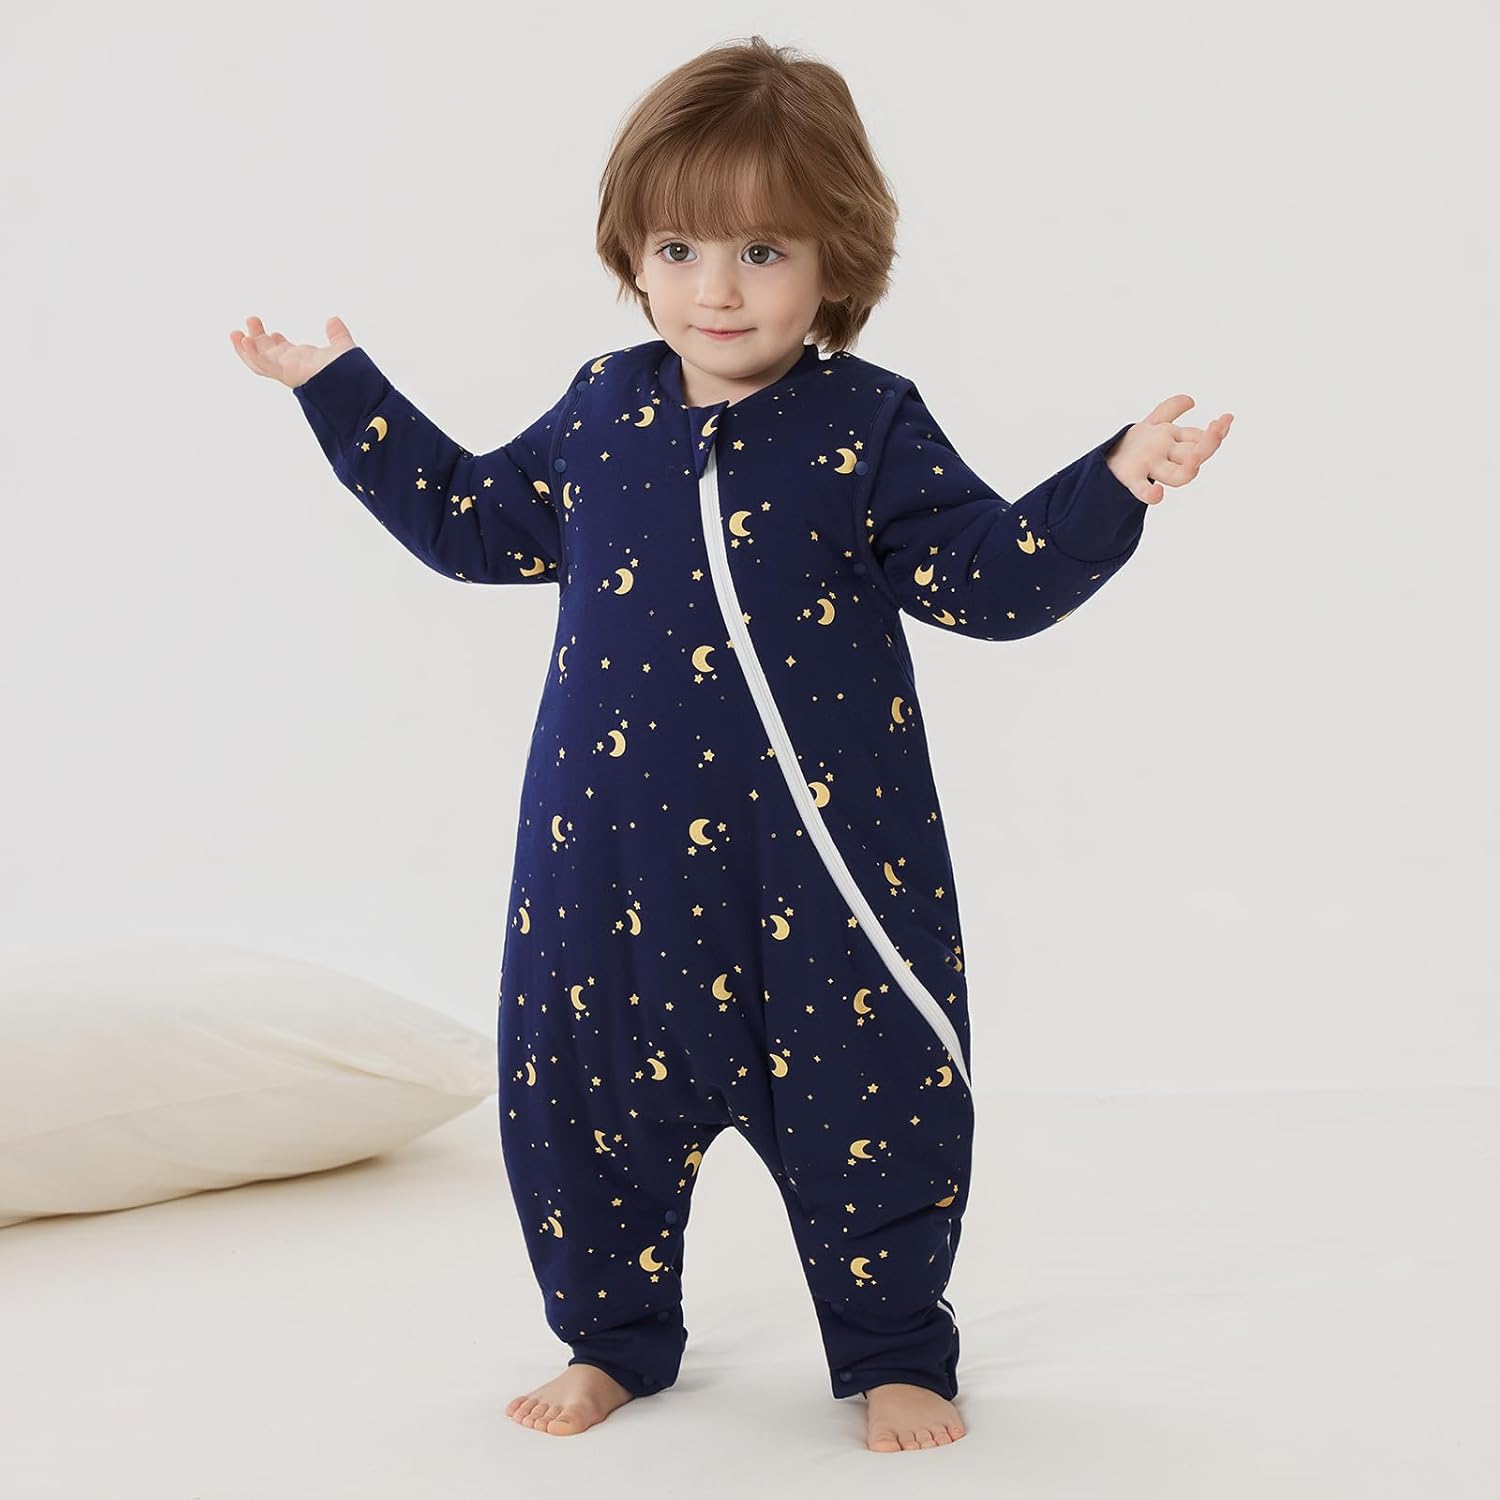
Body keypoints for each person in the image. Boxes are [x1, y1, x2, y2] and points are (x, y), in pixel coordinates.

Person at [230, 34, 1231, 1454]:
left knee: (875, 1109)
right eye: (680, 247)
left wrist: (1115, 482)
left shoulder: (863, 424)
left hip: (823, 885)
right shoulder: (602, 410)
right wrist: (340, 389)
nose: (716, 288)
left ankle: (894, 1349)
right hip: (605, 877)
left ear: (836, 262)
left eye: (763, 251)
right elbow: (469, 524)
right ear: (633, 257)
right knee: (579, 1110)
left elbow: (988, 582)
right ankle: (609, 1340)